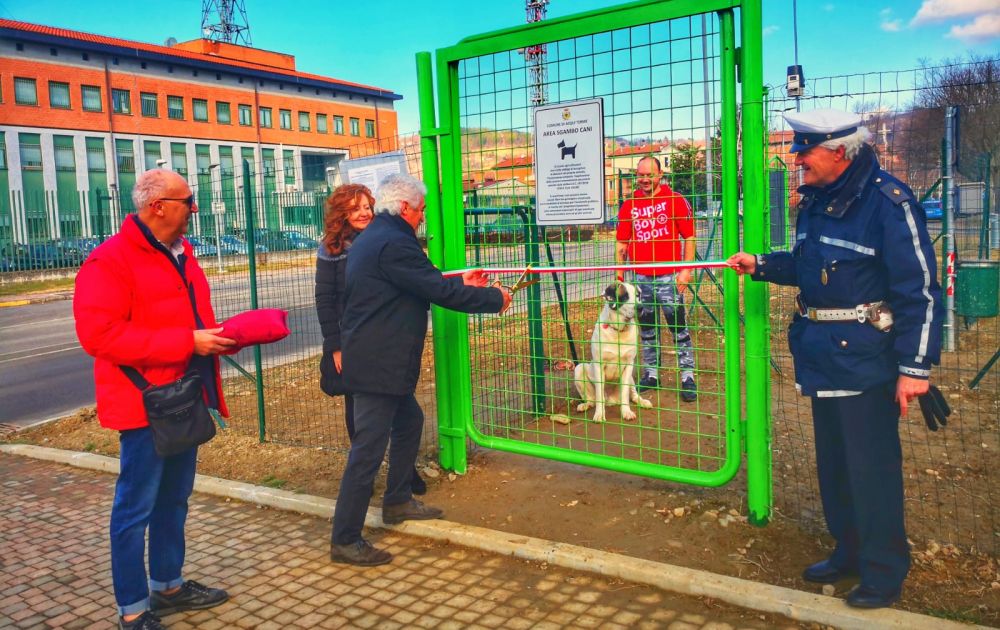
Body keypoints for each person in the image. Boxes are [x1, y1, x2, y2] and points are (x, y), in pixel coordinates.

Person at [728, 109, 941, 609]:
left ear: (839, 152)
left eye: (806, 149)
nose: (796, 157)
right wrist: (762, 265)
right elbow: (809, 267)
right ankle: (848, 552)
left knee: (872, 471)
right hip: (823, 358)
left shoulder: (888, 204)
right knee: (836, 468)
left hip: (868, 362)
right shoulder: (819, 202)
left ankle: (884, 571)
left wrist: (915, 369)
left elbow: (922, 292)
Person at [74, 169, 235, 629]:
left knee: (175, 498)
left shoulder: (181, 254)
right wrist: (188, 342)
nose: (195, 210)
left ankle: (168, 584)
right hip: (143, 403)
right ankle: (133, 610)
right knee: (135, 508)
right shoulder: (110, 261)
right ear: (157, 206)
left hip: (184, 395)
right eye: (189, 201)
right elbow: (99, 335)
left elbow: (190, 316)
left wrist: (220, 337)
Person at [329, 173, 512, 566]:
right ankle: (345, 539)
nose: (423, 217)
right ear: (406, 208)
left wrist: (466, 283)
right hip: (378, 364)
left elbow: (419, 282)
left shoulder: (378, 237)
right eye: (422, 210)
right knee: (366, 451)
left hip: (380, 360)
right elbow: (438, 291)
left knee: (410, 422)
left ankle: (397, 502)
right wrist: (493, 298)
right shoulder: (394, 242)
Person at [315, 183, 426, 495]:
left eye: (367, 206)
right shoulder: (331, 249)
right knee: (360, 412)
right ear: (341, 214)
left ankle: (402, 475)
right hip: (348, 339)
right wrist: (335, 347)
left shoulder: (384, 239)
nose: (363, 213)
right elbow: (325, 300)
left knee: (401, 411)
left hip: (378, 338)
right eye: (355, 208)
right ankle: (365, 475)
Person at [615, 155, 698, 401]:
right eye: (640, 175)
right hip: (641, 279)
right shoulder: (629, 205)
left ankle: (687, 375)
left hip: (669, 277)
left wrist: (686, 270)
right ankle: (651, 373)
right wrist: (619, 277)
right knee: (647, 328)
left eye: (649, 175)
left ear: (660, 175)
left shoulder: (675, 200)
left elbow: (690, 237)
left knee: (677, 326)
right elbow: (622, 241)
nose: (644, 179)